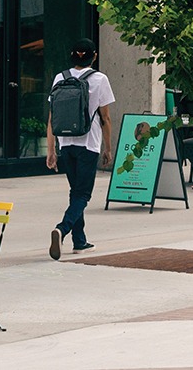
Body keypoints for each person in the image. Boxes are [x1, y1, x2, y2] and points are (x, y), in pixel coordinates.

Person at [47, 38, 114, 259]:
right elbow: (106, 118)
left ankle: (80, 241)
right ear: (93, 56)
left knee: (75, 192)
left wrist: (51, 151)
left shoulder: (60, 77)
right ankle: (62, 228)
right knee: (83, 194)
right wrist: (108, 147)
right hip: (89, 143)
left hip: (65, 143)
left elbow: (51, 118)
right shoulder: (99, 79)